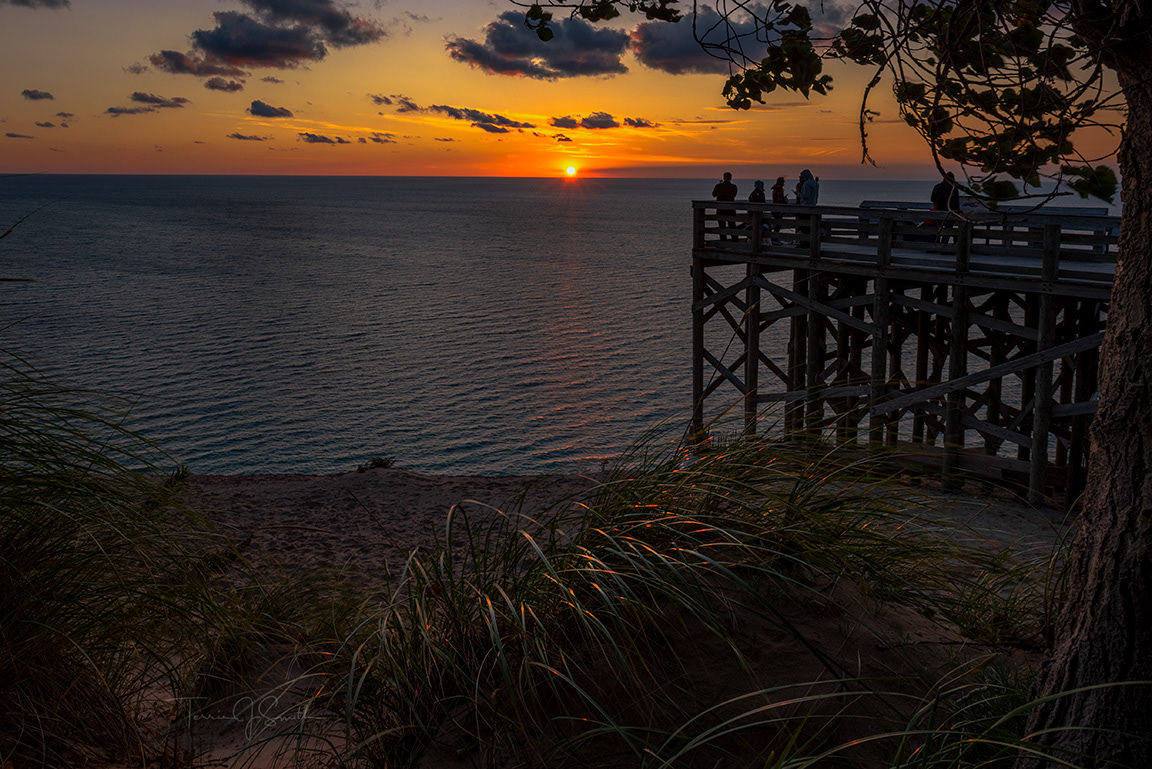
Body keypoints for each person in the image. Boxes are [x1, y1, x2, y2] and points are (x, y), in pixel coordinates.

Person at [930, 171, 960, 244]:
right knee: (948, 229)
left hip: (939, 211)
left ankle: (935, 244)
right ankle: (944, 245)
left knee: (938, 228)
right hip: (950, 211)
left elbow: (932, 199)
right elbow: (956, 201)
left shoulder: (937, 186)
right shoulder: (954, 188)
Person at [796, 169, 819, 247]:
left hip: (805, 207)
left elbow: (806, 195)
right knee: (810, 226)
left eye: (802, 176)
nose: (801, 178)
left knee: (803, 226)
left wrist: (798, 194)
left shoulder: (806, 184)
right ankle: (810, 242)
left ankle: (806, 242)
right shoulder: (816, 183)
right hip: (813, 207)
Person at [712, 172, 738, 241]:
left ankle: (723, 241)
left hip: (721, 209)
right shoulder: (734, 187)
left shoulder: (719, 186)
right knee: (732, 226)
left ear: (723, 178)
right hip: (730, 209)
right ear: (731, 178)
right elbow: (733, 195)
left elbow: (714, 194)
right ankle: (735, 240)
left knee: (722, 226)